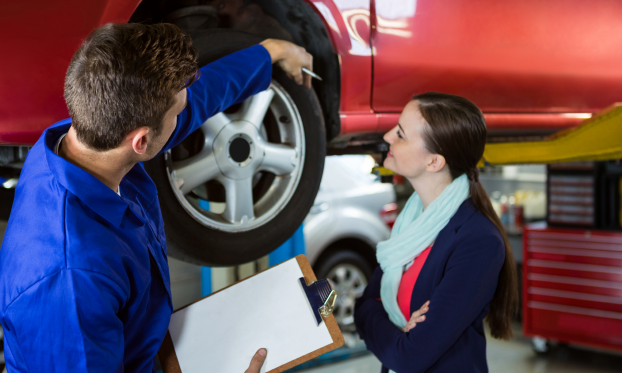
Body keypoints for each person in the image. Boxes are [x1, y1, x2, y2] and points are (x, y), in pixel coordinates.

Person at [0, 23, 313, 373]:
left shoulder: (82, 137)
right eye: (176, 113)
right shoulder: (71, 281)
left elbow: (200, 98)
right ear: (142, 142)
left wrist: (268, 52)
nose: (183, 114)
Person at [354, 92, 518, 373]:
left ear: (434, 162)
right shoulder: (412, 222)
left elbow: (409, 358)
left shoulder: (478, 241)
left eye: (401, 135)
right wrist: (399, 336)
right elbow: (362, 308)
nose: (388, 137)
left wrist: (391, 332)